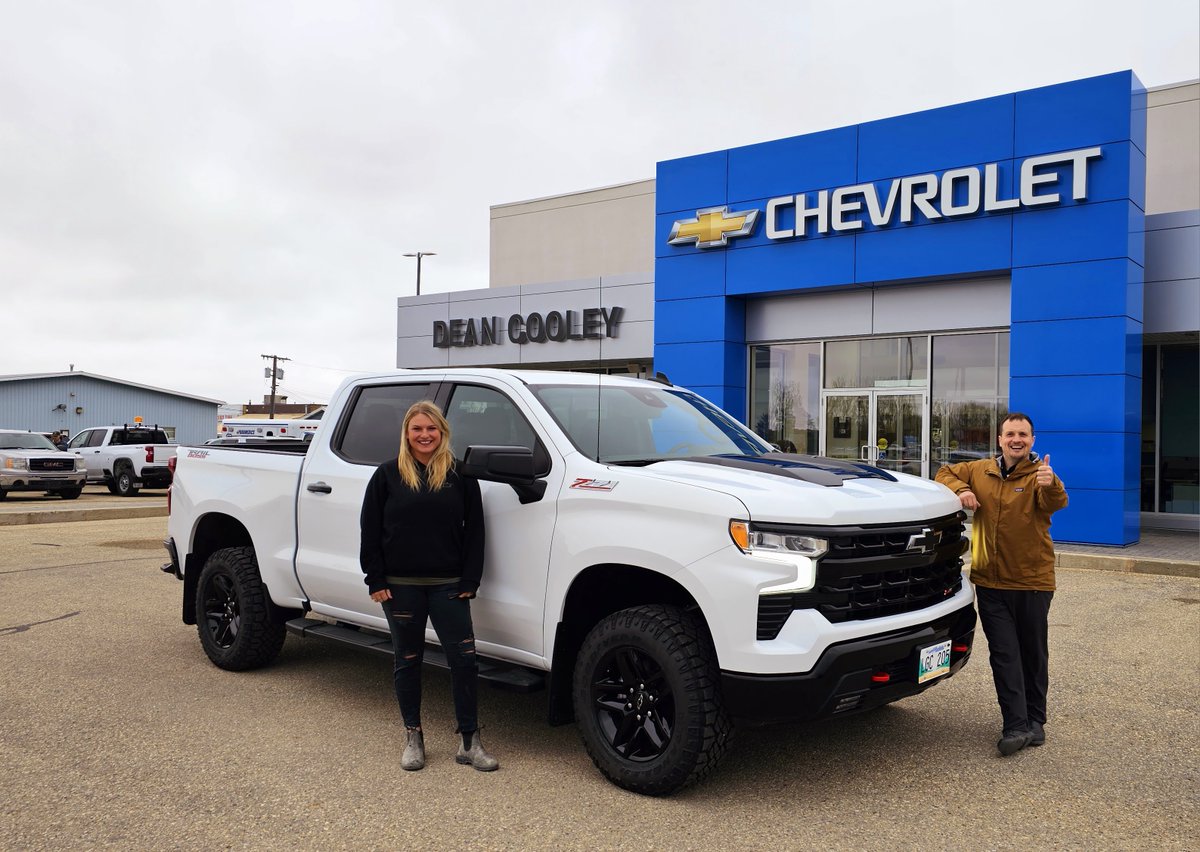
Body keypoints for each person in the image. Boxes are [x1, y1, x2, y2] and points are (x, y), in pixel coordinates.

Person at [359, 400, 498, 772]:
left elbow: (476, 533)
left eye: (431, 429)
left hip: (449, 586)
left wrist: (470, 579)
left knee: (464, 661)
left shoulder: (461, 477)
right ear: (407, 433)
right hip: (400, 587)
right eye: (417, 429)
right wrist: (375, 579)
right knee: (407, 661)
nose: (425, 435)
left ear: (443, 433)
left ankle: (470, 742)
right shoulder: (387, 476)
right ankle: (413, 737)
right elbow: (370, 530)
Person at [935, 412, 1068, 757]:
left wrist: (1050, 483)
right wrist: (962, 490)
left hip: (1032, 581)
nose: (1016, 439)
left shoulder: (1040, 475)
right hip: (990, 582)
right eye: (1010, 434)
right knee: (1005, 654)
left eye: (1023, 434)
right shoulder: (981, 470)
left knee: (1032, 653)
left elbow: (1056, 503)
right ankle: (1015, 724)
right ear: (1000, 439)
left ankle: (1036, 720)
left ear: (1032, 440)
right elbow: (943, 472)